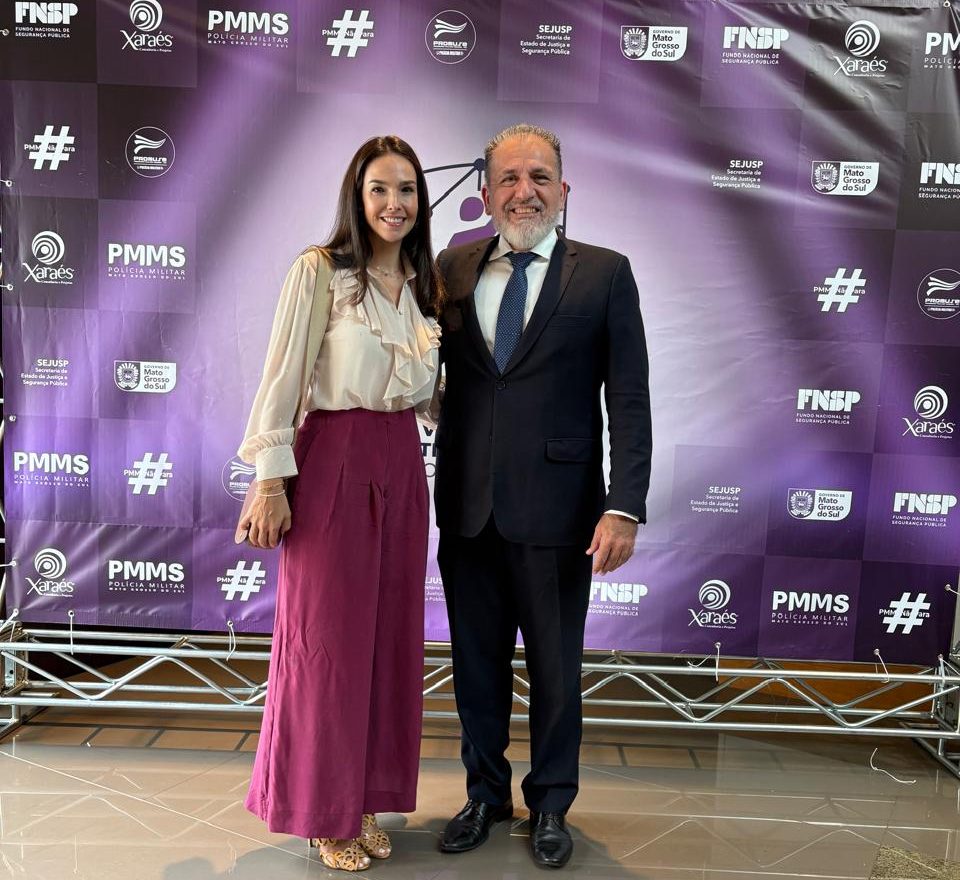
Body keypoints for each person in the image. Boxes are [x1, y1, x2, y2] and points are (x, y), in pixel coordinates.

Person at [433, 123, 652, 869]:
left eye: (538, 177)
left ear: (563, 189)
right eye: (508, 177)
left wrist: (624, 504)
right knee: (476, 665)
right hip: (467, 507)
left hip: (562, 512)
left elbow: (629, 399)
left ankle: (552, 802)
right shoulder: (452, 268)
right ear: (485, 191)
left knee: (556, 671)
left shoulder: (606, 273)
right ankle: (485, 795)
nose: (523, 191)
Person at [236, 135, 444, 872]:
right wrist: (270, 479)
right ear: (357, 196)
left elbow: (432, 398)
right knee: (325, 643)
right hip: (333, 460)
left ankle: (363, 801)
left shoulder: (424, 286)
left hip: (402, 465)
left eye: (407, 190)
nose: (394, 203)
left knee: (388, 640)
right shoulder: (320, 271)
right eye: (379, 188)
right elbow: (283, 376)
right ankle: (322, 813)